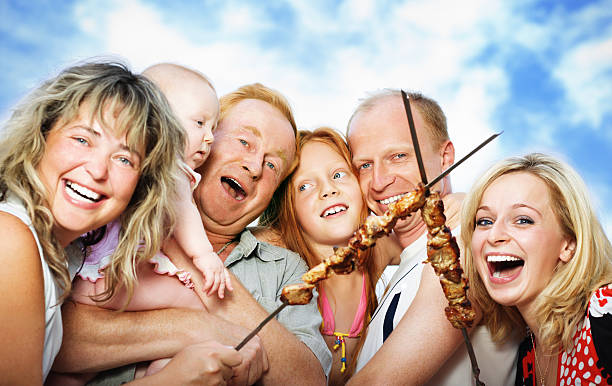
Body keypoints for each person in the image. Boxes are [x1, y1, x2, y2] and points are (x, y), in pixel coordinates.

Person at [54, 83, 331, 385]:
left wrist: (188, 259)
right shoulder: (115, 212)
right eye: (244, 142)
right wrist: (194, 327)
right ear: (203, 141)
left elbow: (308, 380)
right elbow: (45, 332)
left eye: (272, 165)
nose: (254, 167)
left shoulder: (283, 268)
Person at [0, 61, 237, 384]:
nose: (98, 170)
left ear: (141, 185)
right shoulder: (9, 238)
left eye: (124, 158)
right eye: (83, 139)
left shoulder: (55, 259)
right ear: (41, 134)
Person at [346, 89, 518, 384]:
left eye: (398, 156)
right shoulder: (395, 269)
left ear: (446, 157)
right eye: (365, 165)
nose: (378, 181)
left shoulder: (469, 239)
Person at [462, 153, 612, 386]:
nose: (494, 235)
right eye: (484, 221)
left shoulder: (605, 310)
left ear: (568, 244)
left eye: (523, 220)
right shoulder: (527, 354)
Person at [259, 127, 383, 384]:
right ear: (288, 208)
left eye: (338, 174)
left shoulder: (379, 246)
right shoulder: (276, 253)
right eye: (304, 186)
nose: (328, 190)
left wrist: (459, 202)